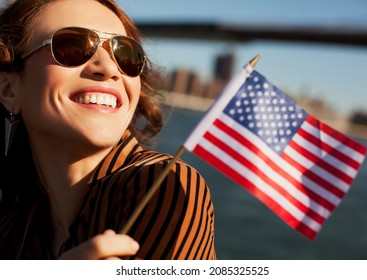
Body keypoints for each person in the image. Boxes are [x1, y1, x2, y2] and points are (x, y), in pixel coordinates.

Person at [0, 0, 216, 260]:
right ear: (9, 89)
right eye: (72, 46)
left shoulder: (162, 184)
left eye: (125, 54)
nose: (109, 69)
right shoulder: (12, 227)